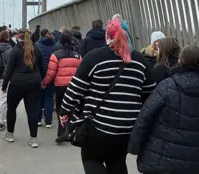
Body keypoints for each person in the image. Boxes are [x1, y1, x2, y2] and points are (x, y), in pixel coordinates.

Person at [59, 19, 156, 174]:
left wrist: (64, 111)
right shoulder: (140, 61)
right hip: (127, 128)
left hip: (98, 125)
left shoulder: (95, 57)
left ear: (107, 35)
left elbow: (74, 90)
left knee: (91, 159)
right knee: (117, 162)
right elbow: (150, 94)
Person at [128, 45, 199, 174]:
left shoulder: (167, 86)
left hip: (161, 160)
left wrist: (134, 147)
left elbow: (145, 116)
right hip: (197, 162)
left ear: (180, 61)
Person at [2, 29, 46, 148]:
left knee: (11, 108)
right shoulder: (36, 49)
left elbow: (9, 70)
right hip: (34, 83)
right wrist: (41, 80)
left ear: (17, 37)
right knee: (32, 110)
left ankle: (10, 134)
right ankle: (33, 139)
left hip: (17, 83)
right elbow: (43, 68)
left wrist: (5, 85)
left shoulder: (15, 50)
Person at [42, 31, 82, 143]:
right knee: (73, 109)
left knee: (61, 110)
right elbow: (81, 72)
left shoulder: (56, 55)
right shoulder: (77, 56)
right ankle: (72, 131)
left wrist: (44, 83)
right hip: (74, 87)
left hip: (60, 87)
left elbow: (51, 73)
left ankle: (62, 132)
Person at [35, 29, 59, 128]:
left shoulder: (36, 45)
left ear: (41, 35)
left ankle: (38, 119)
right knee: (49, 98)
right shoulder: (56, 46)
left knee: (39, 98)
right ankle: (48, 121)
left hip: (39, 75)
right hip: (51, 75)